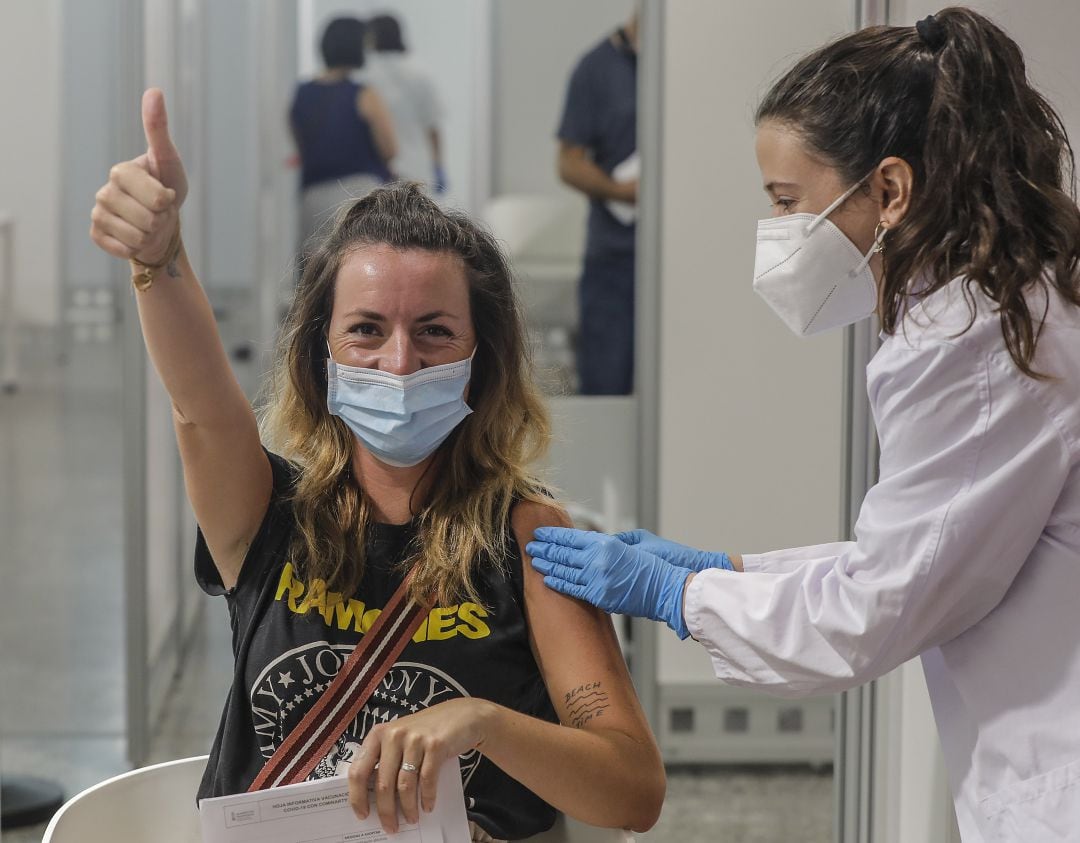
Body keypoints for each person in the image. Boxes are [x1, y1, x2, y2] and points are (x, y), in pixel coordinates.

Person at [529, 8, 1080, 840]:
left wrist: (680, 593)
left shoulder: (968, 341)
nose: (781, 234)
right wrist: (731, 571)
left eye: (789, 202)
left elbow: (878, 609)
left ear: (889, 190)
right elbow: (917, 553)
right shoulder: (1001, 302)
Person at [89, 89, 665, 842]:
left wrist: (482, 723)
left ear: (479, 358)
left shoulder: (529, 539)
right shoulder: (267, 516)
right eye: (366, 329)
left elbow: (632, 790)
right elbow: (201, 406)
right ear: (320, 354)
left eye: (433, 331)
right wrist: (158, 257)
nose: (399, 362)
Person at [555, 13, 638, 395]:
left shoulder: (688, 67)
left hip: (683, 258)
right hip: (615, 258)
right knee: (607, 383)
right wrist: (622, 192)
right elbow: (568, 163)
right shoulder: (597, 68)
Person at [290, 16, 397, 258]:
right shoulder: (363, 94)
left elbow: (301, 146)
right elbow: (390, 149)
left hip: (313, 196)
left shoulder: (301, 95)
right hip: (359, 193)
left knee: (316, 271)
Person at [359, 13, 446, 193]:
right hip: (417, 171)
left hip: (378, 174)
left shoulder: (364, 75)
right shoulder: (419, 73)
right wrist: (438, 166)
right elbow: (433, 127)